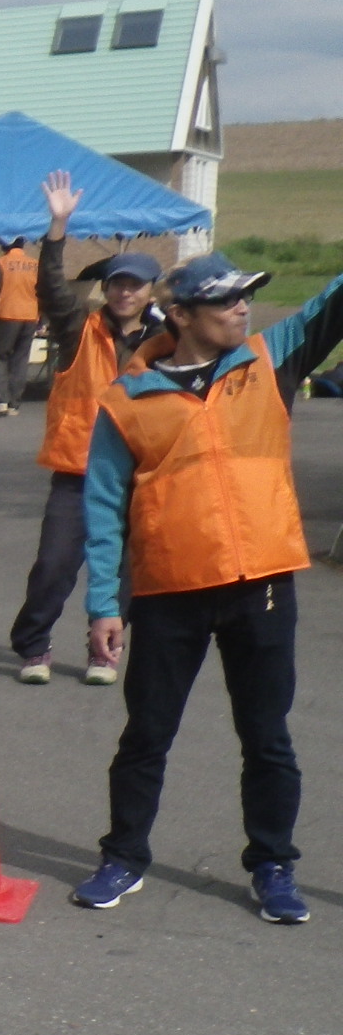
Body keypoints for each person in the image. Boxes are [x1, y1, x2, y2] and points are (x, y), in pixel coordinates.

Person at [70, 254, 343, 923]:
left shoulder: (268, 359)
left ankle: (272, 865)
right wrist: (104, 603)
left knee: (267, 737)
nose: (242, 310)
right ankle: (123, 857)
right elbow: (104, 506)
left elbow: (331, 309)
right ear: (182, 315)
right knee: (146, 736)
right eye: (225, 302)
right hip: (169, 590)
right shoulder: (128, 397)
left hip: (262, 583)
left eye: (245, 299)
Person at [7, 172, 171, 685]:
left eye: (134, 284)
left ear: (149, 292)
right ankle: (33, 645)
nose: (124, 291)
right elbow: (50, 288)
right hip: (77, 468)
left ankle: (104, 650)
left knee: (124, 572)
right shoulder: (80, 327)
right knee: (54, 567)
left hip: (137, 474)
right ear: (107, 288)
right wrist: (58, 226)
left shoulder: (168, 341)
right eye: (116, 282)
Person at [0, 238, 39, 417]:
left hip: (7, 314)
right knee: (21, 359)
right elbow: (43, 291)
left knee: (0, 357)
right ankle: (14, 402)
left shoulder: (1, 262)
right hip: (30, 315)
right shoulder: (34, 264)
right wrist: (41, 318)